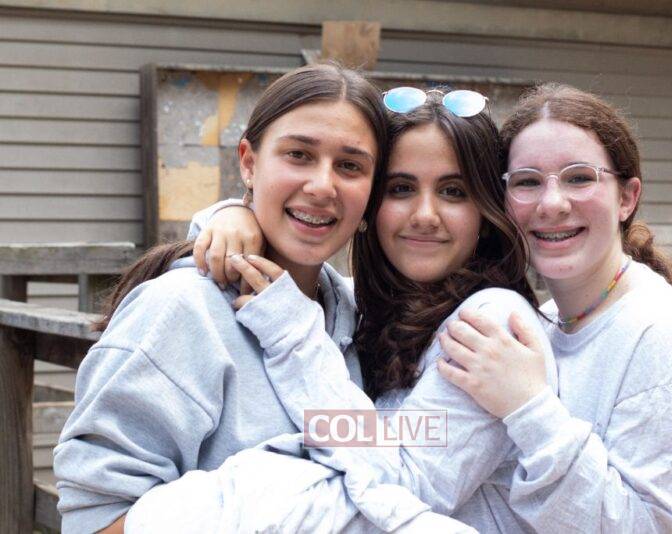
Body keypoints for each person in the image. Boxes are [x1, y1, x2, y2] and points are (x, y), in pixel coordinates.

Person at [54, 63, 465, 533]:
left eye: (350, 165)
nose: (322, 186)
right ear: (249, 163)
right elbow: (96, 519)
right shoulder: (181, 309)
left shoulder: (358, 319)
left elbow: (399, 461)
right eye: (299, 155)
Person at [146, 89, 558, 532]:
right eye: (401, 189)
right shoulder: (367, 309)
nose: (425, 214)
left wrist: (292, 334)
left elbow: (408, 483)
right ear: (369, 205)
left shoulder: (489, 323)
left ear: (486, 211)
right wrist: (234, 216)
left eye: (453, 191)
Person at [434, 83, 672, 532]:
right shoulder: (548, 323)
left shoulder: (660, 335)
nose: (552, 203)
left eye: (579, 178)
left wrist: (528, 406)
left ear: (627, 197)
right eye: (527, 182)